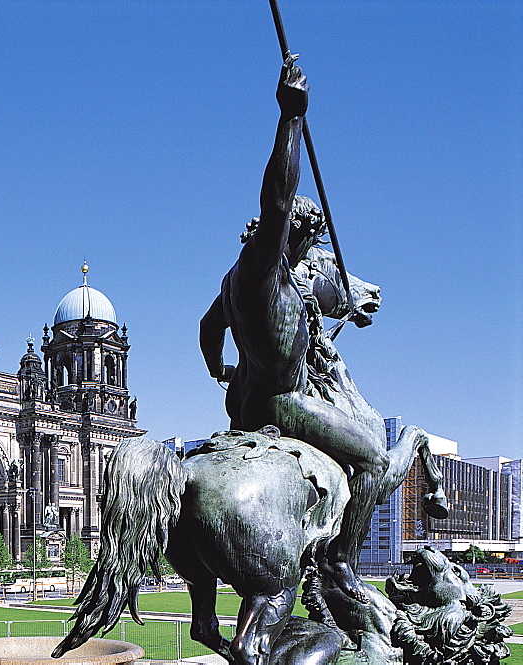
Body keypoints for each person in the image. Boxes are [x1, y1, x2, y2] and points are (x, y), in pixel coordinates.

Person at [198, 54, 406, 602]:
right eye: (310, 245)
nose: (311, 254)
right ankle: (340, 562)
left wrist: (219, 367)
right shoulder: (268, 263)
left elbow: (205, 326)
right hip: (279, 402)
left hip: (241, 401)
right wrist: (291, 116)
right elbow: (277, 195)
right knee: (376, 459)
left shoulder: (232, 281)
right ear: (299, 236)